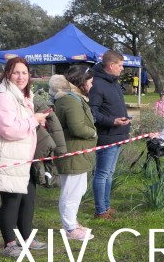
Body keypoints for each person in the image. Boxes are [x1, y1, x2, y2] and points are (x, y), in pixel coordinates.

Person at [0, 57, 48, 258]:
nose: (21, 77)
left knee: (28, 197)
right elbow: (8, 129)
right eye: (16, 72)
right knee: (12, 200)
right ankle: (9, 243)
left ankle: (26, 238)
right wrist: (33, 120)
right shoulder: (3, 96)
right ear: (7, 74)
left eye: (24, 72)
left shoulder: (22, 95)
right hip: (5, 155)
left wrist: (35, 121)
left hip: (22, 155)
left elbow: (21, 122)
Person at [51, 68, 97, 241]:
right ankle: (70, 228)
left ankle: (72, 222)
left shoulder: (73, 98)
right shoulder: (70, 100)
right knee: (71, 191)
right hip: (73, 152)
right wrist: (93, 133)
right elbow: (77, 127)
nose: (92, 86)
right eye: (90, 82)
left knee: (78, 189)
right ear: (81, 82)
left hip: (77, 152)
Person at [88, 51, 132, 220]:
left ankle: (106, 205)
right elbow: (93, 112)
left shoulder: (114, 82)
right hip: (107, 136)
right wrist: (112, 121)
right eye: (120, 65)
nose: (122, 69)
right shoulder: (98, 84)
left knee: (109, 172)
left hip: (117, 134)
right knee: (102, 173)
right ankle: (100, 211)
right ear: (111, 65)